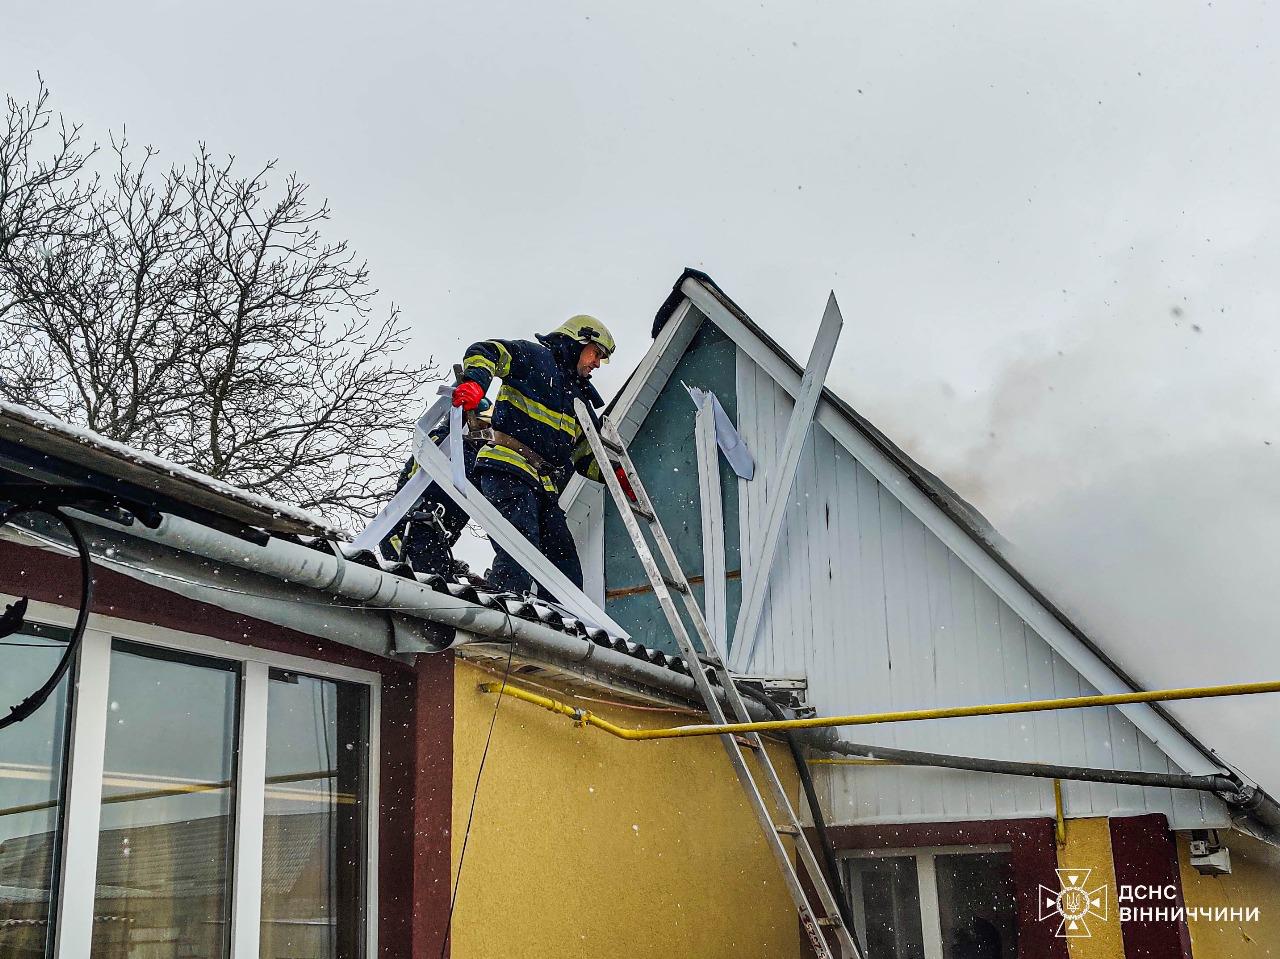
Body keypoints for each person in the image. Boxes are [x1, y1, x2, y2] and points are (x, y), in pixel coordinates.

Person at [450, 315, 631, 598]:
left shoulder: (578, 399)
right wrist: (475, 383)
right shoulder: (534, 358)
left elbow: (584, 455)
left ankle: (561, 628)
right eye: (597, 353)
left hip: (543, 486)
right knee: (519, 549)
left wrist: (616, 476)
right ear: (578, 341)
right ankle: (504, 615)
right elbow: (487, 351)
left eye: (602, 359)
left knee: (564, 567)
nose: (597, 363)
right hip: (507, 468)